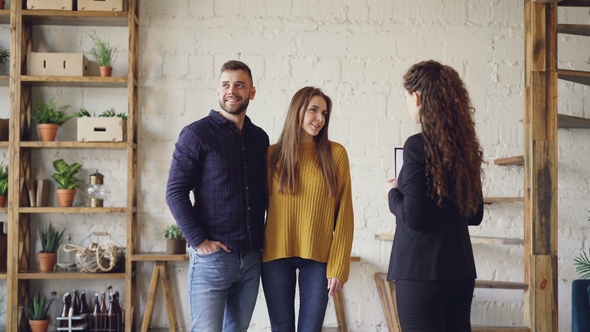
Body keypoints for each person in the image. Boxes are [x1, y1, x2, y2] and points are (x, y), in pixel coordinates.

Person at [166, 60, 269, 331]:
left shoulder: (260, 139)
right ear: (217, 91)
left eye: (239, 85)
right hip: (212, 260)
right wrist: (199, 241)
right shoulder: (196, 134)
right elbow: (175, 191)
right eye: (226, 85)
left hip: (250, 261)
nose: (232, 90)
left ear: (252, 92)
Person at [384, 60, 484, 332]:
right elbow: (475, 215)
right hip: (460, 272)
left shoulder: (416, 146)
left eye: (407, 96)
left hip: (420, 274)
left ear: (417, 97)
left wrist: (392, 193)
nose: (407, 103)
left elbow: (414, 218)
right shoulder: (465, 148)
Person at [262, 86, 354, 332]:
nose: (320, 119)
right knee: (281, 328)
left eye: (324, 113)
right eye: (314, 110)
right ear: (297, 110)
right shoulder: (272, 155)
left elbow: (344, 215)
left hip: (319, 259)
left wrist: (339, 266)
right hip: (275, 256)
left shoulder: (336, 154)